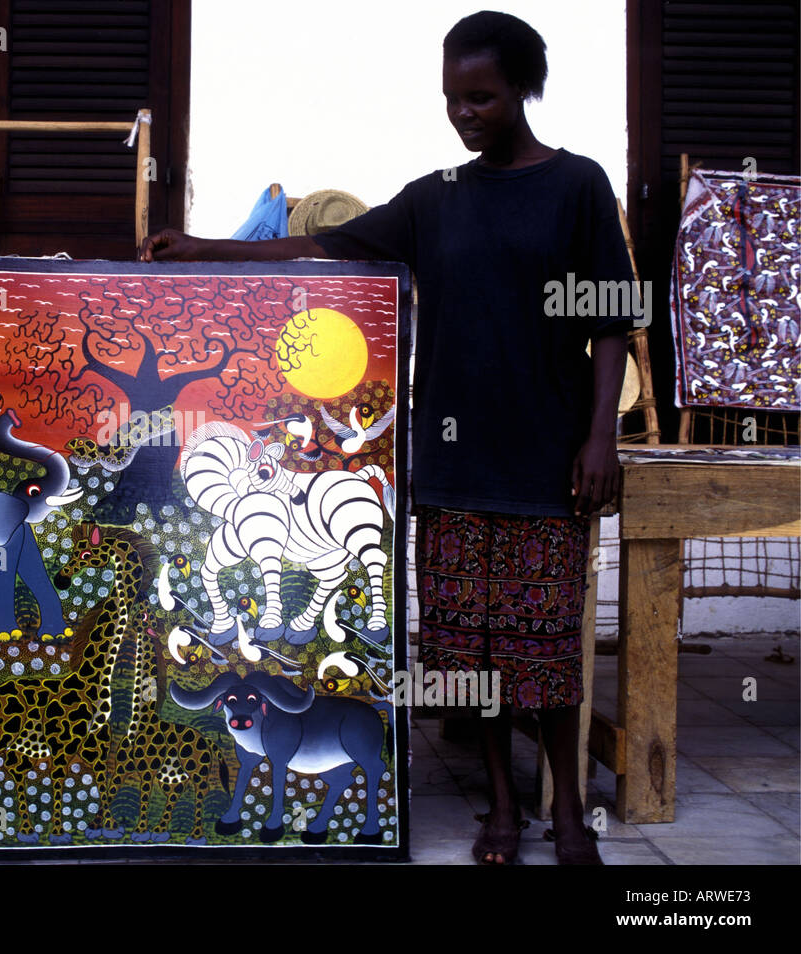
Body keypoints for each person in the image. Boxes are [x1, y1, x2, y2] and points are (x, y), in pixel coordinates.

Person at [140, 10, 633, 865]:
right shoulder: (438, 198)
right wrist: (204, 248)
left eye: (480, 96)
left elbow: (613, 322)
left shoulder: (579, 187)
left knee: (547, 654)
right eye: (452, 98)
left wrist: (602, 439)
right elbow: (327, 243)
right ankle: (504, 814)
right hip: (448, 469)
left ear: (522, 89)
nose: (463, 114)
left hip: (542, 463)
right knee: (463, 656)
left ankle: (567, 816)